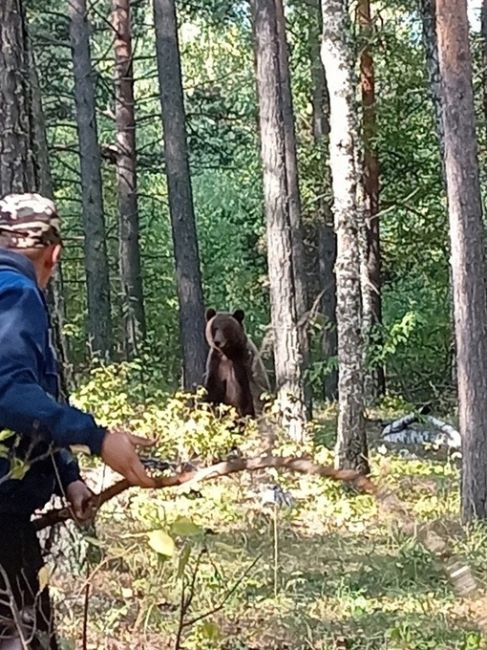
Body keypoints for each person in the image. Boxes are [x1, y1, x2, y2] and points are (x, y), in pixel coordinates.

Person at [0, 193, 155, 649]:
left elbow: (31, 409)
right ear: (54, 253)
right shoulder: (15, 291)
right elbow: (7, 391)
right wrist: (97, 437)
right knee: (25, 639)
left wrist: (68, 477)